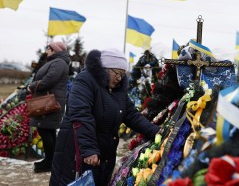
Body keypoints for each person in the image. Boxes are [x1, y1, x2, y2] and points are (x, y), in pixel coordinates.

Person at [49, 48, 160, 186]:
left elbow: (131, 115)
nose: (120, 78)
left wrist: (156, 131)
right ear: (105, 68)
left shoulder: (118, 90)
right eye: (117, 73)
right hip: (78, 152)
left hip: (104, 154)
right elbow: (81, 115)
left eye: (123, 74)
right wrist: (89, 149)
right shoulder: (85, 80)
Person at [27, 41, 70, 173]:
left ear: (54, 50)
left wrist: (32, 86)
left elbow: (50, 79)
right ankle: (51, 160)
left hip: (51, 103)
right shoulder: (56, 61)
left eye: (49, 48)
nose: (47, 50)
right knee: (48, 131)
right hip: (50, 101)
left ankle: (50, 161)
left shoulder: (59, 63)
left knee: (45, 131)